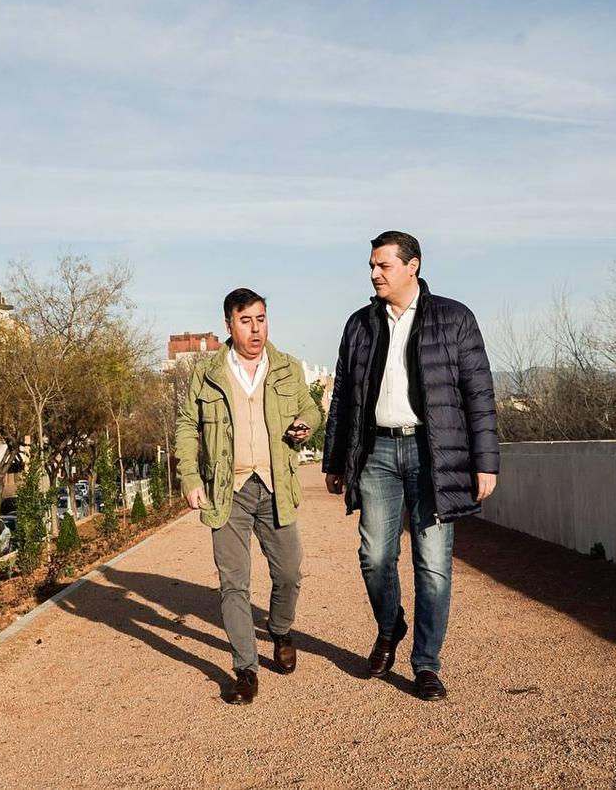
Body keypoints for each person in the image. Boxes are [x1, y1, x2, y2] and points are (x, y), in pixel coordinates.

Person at [323, 230, 499, 702]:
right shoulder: (359, 324)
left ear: (412, 266)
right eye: (372, 265)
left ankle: (426, 664)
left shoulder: (454, 318)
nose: (374, 273)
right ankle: (390, 626)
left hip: (433, 454)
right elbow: (343, 397)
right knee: (375, 557)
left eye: (383, 266)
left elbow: (478, 395)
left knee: (433, 567)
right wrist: (336, 459)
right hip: (376, 454)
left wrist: (485, 462)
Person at [175, 288, 322, 705]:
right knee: (234, 584)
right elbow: (187, 426)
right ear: (229, 325)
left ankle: (279, 629)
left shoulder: (287, 367)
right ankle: (245, 669)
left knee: (289, 573)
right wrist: (189, 477)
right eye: (246, 321)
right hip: (228, 491)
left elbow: (311, 409)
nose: (255, 329)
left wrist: (304, 424)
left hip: (277, 485)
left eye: (261, 319)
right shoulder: (207, 373)